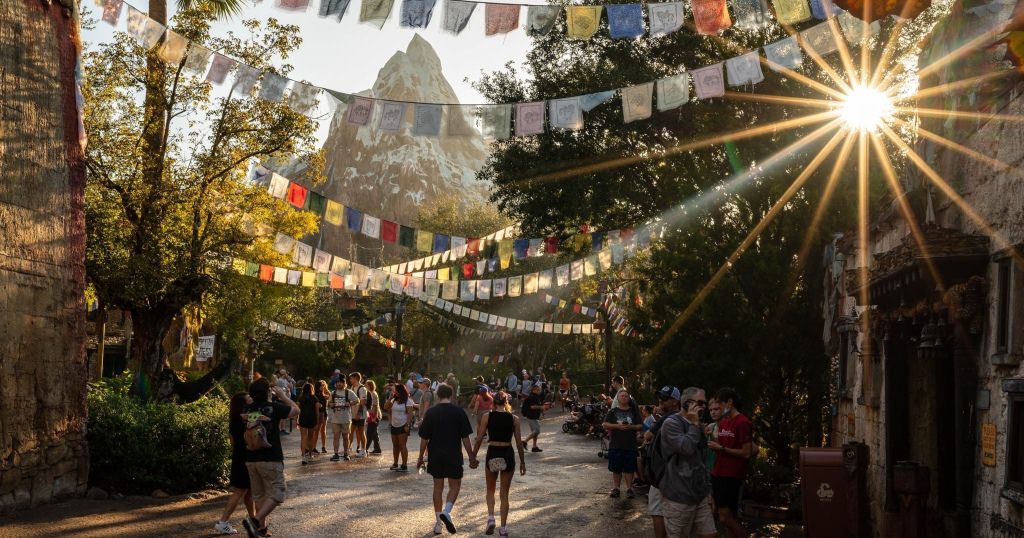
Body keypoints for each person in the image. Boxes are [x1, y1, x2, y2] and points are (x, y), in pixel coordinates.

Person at [241, 378, 298, 538]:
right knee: (278, 492)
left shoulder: (248, 408)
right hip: (271, 458)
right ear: (268, 392)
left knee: (259, 495)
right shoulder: (274, 408)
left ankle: (260, 530)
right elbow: (296, 410)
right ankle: (255, 521)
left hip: (251, 458)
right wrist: (283, 396)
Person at [416, 384, 477, 535]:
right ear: (451, 395)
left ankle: (438, 523)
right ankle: (447, 511)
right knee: (455, 485)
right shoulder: (459, 412)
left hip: (435, 454)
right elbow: (465, 437)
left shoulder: (431, 412)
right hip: (453, 454)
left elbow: (424, 438)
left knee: (438, 487)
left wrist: (420, 458)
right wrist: (471, 457)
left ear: (437, 395)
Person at [659, 386, 715, 538]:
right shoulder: (671, 423)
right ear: (687, 404)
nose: (705, 407)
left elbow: (703, 459)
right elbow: (687, 448)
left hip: (700, 495)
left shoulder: (697, 425)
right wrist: (694, 425)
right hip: (678, 497)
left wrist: (708, 491)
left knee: (709, 534)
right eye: (701, 403)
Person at [471, 391, 526, 537]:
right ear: (506, 403)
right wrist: (522, 462)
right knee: (504, 494)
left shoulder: (487, 417)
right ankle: (503, 529)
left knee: (490, 489)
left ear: (493, 403)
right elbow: (519, 443)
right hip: (507, 453)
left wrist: (473, 457)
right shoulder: (514, 419)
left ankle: (490, 518)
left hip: (493, 452)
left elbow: (479, 438)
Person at [708, 388, 754, 538]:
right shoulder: (724, 422)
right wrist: (712, 440)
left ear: (729, 402)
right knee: (726, 517)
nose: (717, 408)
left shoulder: (743, 422)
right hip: (717, 473)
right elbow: (721, 448)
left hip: (731, 475)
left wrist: (721, 448)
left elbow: (747, 452)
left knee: (724, 517)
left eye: (719, 404)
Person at [214, 392, 256, 535]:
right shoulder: (246, 420)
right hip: (246, 458)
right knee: (239, 491)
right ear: (243, 404)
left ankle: (254, 520)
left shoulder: (234, 421)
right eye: (248, 397)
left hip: (238, 457)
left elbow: (232, 443)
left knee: (248, 493)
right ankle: (223, 522)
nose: (251, 398)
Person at [645, 386, 682, 538]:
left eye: (665, 398)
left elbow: (647, 436)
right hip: (674, 474)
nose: (660, 401)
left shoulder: (669, 418)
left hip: (662, 475)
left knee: (657, 511)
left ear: (675, 401)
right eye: (660, 397)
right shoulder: (680, 417)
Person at [602, 389, 642, 499]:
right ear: (618, 399)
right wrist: (617, 426)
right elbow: (605, 424)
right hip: (616, 445)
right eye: (622, 396)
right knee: (616, 468)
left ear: (629, 398)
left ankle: (629, 488)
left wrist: (631, 427)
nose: (624, 397)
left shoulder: (634, 412)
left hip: (630, 445)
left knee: (629, 469)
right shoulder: (613, 411)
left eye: (626, 396)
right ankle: (616, 488)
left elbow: (640, 426)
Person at [385, 383, 418, 471]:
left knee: (402, 445)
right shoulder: (394, 400)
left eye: (396, 390)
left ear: (401, 391)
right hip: (394, 425)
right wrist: (391, 398)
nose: (395, 392)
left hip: (403, 425)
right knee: (395, 445)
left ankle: (404, 465)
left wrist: (407, 425)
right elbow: (385, 407)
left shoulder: (408, 401)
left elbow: (410, 414)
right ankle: (395, 463)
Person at [328, 378, 357, 461]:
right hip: (335, 419)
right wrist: (331, 404)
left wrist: (350, 403)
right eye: (338, 382)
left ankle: (346, 454)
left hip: (346, 419)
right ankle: (336, 454)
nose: (339, 384)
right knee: (336, 437)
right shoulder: (333, 393)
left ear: (344, 383)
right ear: (336, 384)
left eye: (341, 382)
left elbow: (357, 400)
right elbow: (329, 403)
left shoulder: (349, 392)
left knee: (345, 437)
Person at [297, 383, 321, 465]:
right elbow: (317, 412)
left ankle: (303, 456)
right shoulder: (314, 398)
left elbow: (298, 411)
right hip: (312, 419)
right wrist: (317, 422)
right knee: (311, 438)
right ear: (312, 389)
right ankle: (310, 455)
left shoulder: (301, 398)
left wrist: (297, 420)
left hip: (303, 419)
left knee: (303, 438)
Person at [520, 384, 545, 453]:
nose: (540, 391)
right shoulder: (532, 397)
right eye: (539, 389)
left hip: (533, 416)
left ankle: (534, 447)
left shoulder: (536, 397)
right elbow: (532, 407)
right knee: (537, 430)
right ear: (535, 390)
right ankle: (524, 442)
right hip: (531, 416)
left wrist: (542, 411)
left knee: (535, 432)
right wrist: (541, 407)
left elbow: (538, 406)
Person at [348, 372, 368, 458]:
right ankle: (349, 448)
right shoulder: (352, 387)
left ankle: (363, 450)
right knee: (350, 431)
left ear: (356, 378)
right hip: (352, 414)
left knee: (361, 431)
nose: (350, 380)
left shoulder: (362, 388)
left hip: (360, 415)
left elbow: (362, 402)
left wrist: (358, 414)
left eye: (351, 378)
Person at [364, 379, 383, 454]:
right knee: (374, 433)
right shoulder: (371, 393)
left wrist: (374, 417)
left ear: (370, 386)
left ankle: (365, 449)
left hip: (374, 415)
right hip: (373, 415)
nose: (365, 386)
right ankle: (377, 448)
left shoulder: (372, 394)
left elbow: (375, 406)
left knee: (370, 433)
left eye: (366, 385)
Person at [706, 398, 722, 473]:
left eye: (716, 409)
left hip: (723, 471)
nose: (712, 412)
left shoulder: (731, 427)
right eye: (711, 410)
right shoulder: (710, 426)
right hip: (708, 470)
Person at [315, 380, 330, 454]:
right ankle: (313, 447)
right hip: (318, 414)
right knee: (317, 430)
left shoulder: (325, 393)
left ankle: (323, 447)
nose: (323, 386)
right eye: (321, 385)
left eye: (324, 385)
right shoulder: (316, 394)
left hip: (324, 413)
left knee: (323, 431)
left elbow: (330, 399)